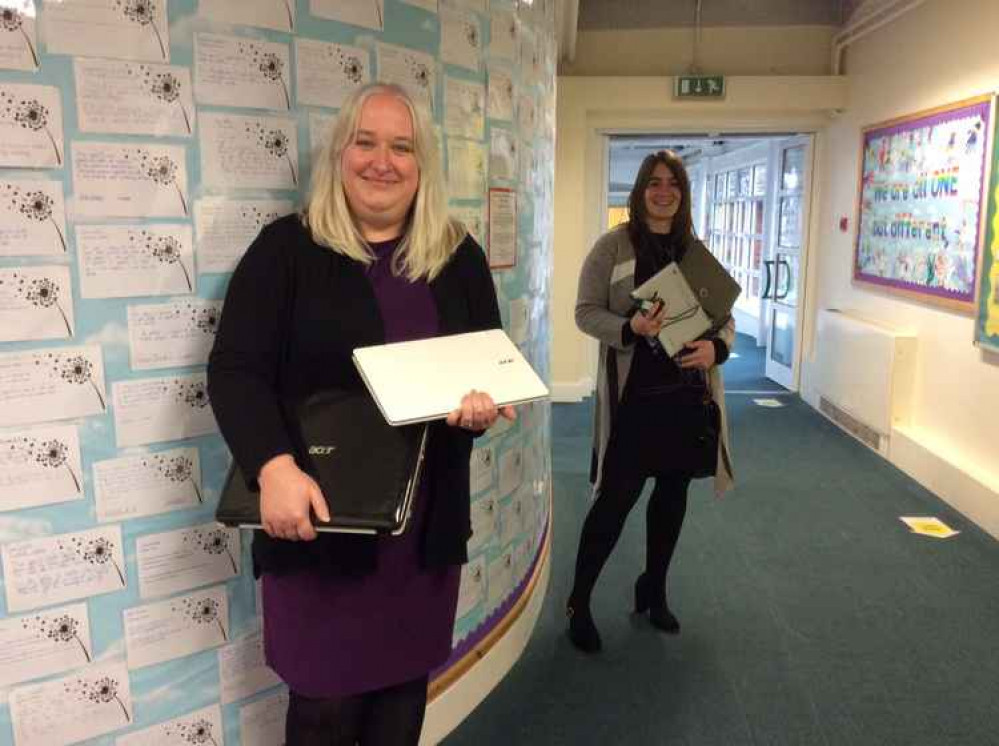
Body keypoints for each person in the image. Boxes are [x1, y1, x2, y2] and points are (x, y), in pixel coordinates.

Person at [207, 81, 513, 745]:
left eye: (401, 147)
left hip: (422, 533)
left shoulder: (456, 256)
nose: (383, 161)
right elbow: (235, 371)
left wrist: (480, 409)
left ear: (422, 163)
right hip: (320, 524)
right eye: (365, 142)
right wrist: (273, 468)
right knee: (323, 709)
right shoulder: (285, 250)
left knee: (400, 703)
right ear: (339, 155)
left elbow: (483, 366)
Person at [566, 149, 735, 653]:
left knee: (672, 498)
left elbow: (723, 316)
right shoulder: (612, 247)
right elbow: (584, 312)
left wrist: (717, 347)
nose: (663, 192)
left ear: (683, 194)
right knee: (615, 502)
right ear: (640, 192)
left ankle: (652, 590)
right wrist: (629, 327)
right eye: (654, 183)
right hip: (635, 396)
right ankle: (578, 600)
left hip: (686, 396)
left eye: (673, 184)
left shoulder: (695, 250)